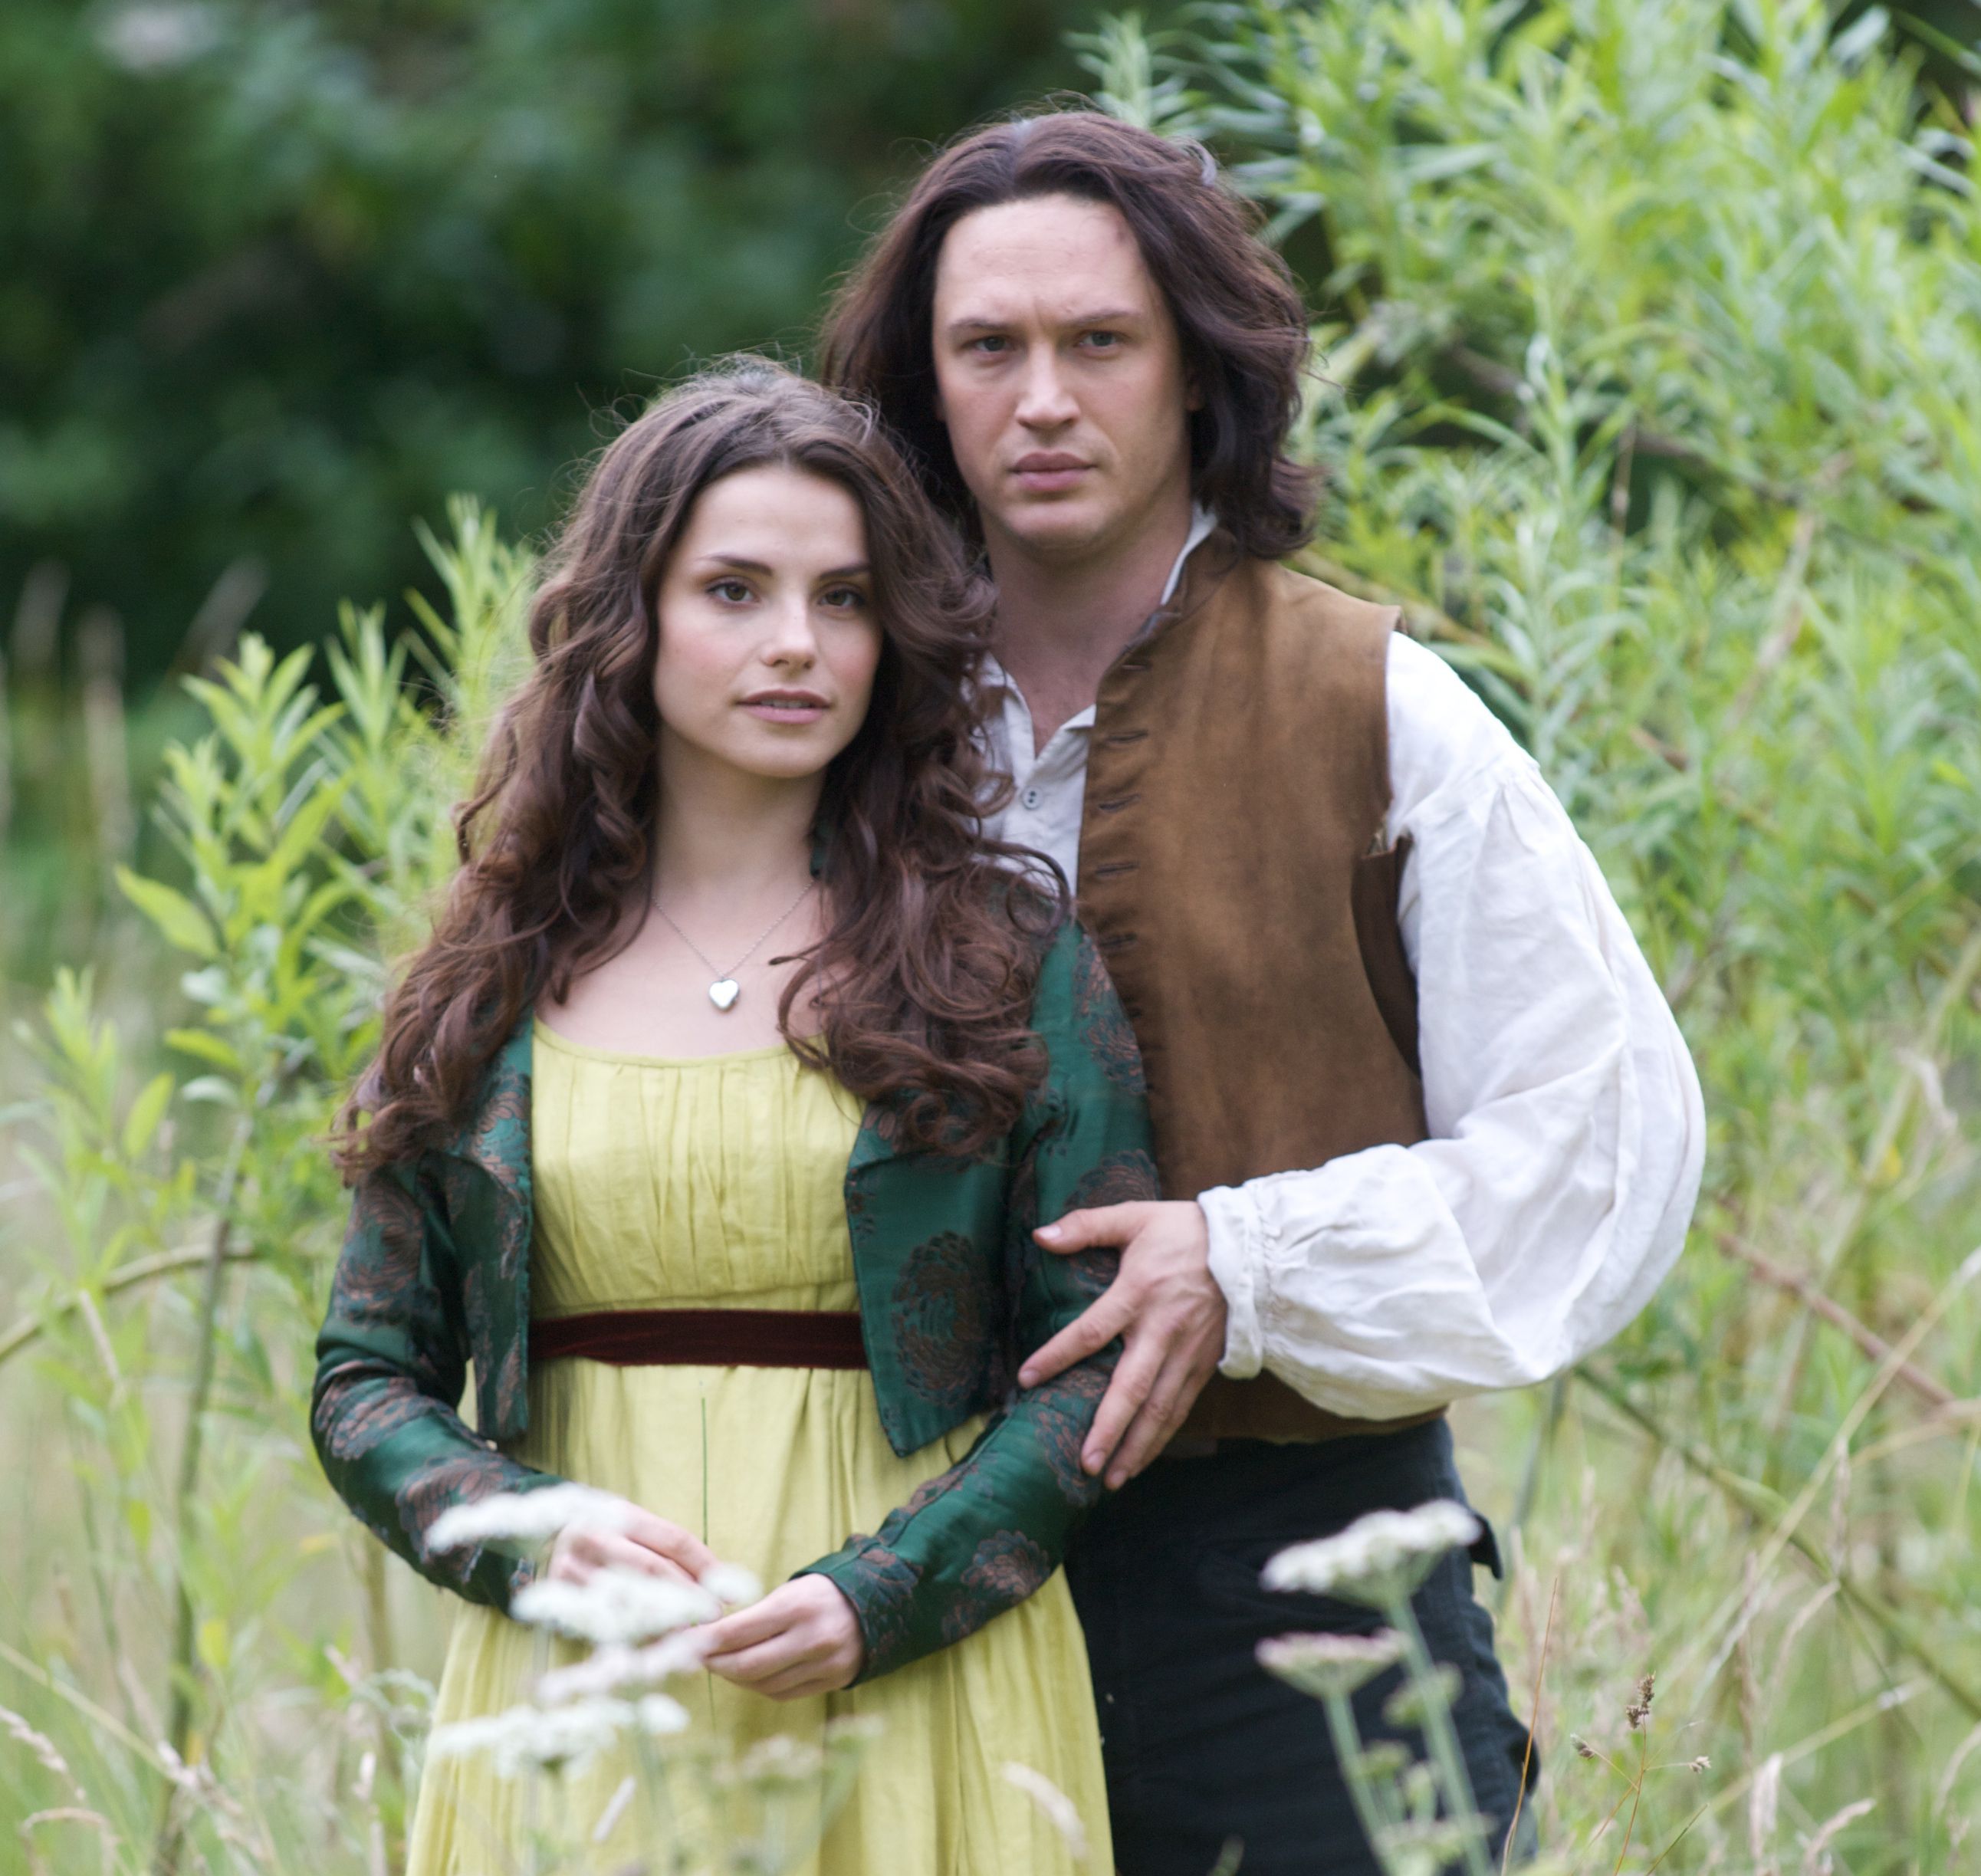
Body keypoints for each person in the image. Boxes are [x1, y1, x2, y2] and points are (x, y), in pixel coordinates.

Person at [822, 112, 1707, 1873]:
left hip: (1296, 1589)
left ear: (1196, 375)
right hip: (889, 1583)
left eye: (1100, 343)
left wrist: (1246, 1262)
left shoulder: (1368, 707)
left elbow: (1602, 1147)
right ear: (921, 388)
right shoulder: (826, 713)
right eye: (986, 348)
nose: (1043, 400)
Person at [310, 361, 1158, 1874]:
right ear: (627, 625)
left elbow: (1096, 1367)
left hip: (920, 1683)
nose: (796, 644)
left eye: (841, 599)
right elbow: (366, 1378)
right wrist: (526, 1537)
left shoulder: (1002, 959)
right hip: (580, 1682)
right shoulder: (492, 980)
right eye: (733, 591)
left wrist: (882, 1595)